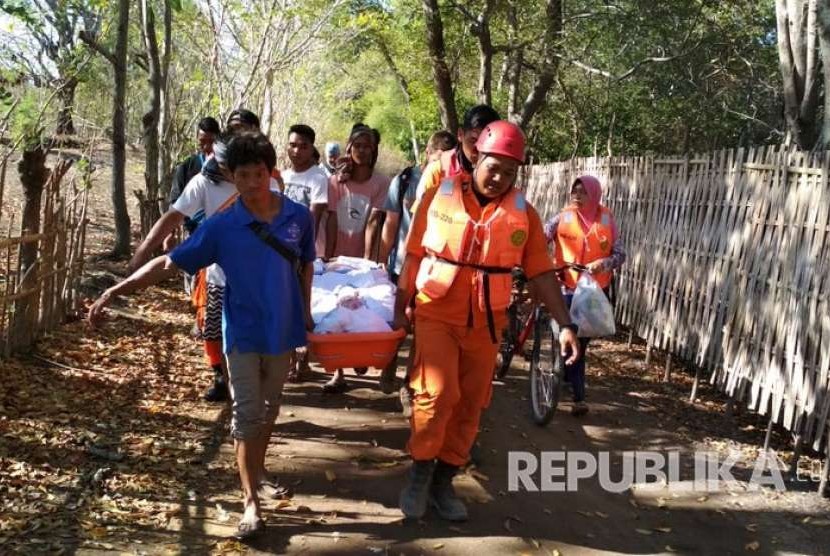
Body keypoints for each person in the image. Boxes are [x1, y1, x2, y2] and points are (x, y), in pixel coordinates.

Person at [89, 132, 316, 540]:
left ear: (271, 172)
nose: (250, 184)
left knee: (269, 409)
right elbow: (167, 263)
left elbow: (305, 267)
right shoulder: (222, 227)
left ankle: (257, 473)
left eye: (258, 174)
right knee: (247, 415)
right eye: (242, 175)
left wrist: (307, 319)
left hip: (282, 331)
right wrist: (115, 290)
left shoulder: (299, 217)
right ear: (233, 175)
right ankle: (251, 503)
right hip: (242, 333)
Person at [394, 121, 581, 522]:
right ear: (476, 156)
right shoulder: (436, 197)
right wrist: (399, 306)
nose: (499, 178)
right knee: (437, 393)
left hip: (487, 321)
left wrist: (565, 324)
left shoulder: (523, 215)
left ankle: (445, 480)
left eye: (510, 172)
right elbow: (412, 256)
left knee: (472, 402)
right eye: (494, 167)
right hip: (436, 311)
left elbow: (542, 274)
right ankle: (420, 472)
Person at [376, 130, 457, 402]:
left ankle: (409, 383)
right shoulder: (405, 180)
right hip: (402, 264)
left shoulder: (454, 185)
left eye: (445, 158)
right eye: (436, 156)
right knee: (397, 324)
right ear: (428, 152)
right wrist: (380, 261)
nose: (439, 164)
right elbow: (390, 223)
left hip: (434, 271)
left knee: (422, 331)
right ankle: (388, 367)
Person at [544, 175, 626, 416]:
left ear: (595, 195)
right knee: (574, 338)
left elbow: (621, 254)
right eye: (574, 191)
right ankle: (578, 396)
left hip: (592, 294)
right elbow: (541, 237)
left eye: (583, 192)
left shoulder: (607, 219)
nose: (577, 195)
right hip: (564, 288)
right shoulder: (562, 217)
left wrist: (605, 262)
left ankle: (568, 376)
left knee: (581, 343)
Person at [323, 124, 390, 393]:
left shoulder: (381, 183)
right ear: (349, 148)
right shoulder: (336, 182)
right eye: (357, 145)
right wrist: (327, 255)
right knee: (337, 306)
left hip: (362, 256)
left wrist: (367, 260)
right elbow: (329, 217)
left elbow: (375, 220)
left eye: (367, 146)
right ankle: (338, 373)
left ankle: (360, 357)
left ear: (374, 150)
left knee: (364, 305)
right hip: (337, 253)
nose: (362, 150)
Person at [281, 124, 329, 382]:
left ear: (312, 149)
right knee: (286, 304)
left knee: (305, 304)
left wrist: (299, 248)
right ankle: (290, 361)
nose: (297, 150)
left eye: (303, 146)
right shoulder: (282, 177)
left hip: (305, 252)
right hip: (280, 253)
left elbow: (315, 215)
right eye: (293, 145)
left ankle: (305, 360)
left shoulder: (318, 178)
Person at [413, 104, 500, 205]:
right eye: (473, 140)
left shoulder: (500, 175)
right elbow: (420, 217)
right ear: (460, 134)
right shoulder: (438, 171)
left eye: (486, 142)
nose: (479, 148)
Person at [167, 117, 221, 228]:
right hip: (193, 231)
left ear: (218, 140)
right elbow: (175, 201)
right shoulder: (187, 166)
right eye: (202, 141)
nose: (207, 146)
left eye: (211, 141)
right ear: (197, 139)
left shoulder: (227, 169)